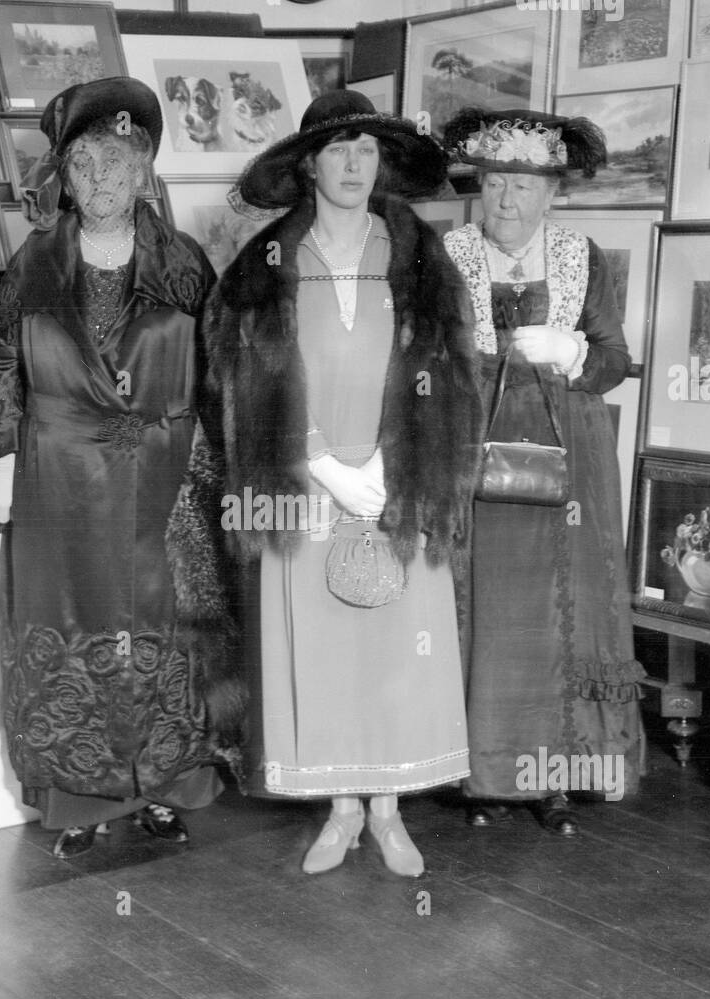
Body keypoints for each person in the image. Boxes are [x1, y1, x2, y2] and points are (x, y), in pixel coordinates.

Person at [205, 90, 481, 876]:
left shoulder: (423, 256)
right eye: (337, 150)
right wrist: (318, 459)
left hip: (400, 480)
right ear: (309, 165)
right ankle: (341, 809)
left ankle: (391, 809)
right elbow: (238, 372)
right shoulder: (264, 265)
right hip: (304, 483)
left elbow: (449, 367)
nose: (354, 165)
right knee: (322, 652)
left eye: (366, 149)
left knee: (396, 650)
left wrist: (394, 459)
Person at [0, 77, 243, 858]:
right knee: (71, 626)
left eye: (118, 162)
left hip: (163, 479)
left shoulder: (184, 262)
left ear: (145, 166)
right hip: (58, 479)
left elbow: (222, 369)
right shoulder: (35, 261)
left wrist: (219, 464)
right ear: (66, 174)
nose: (102, 181)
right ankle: (78, 801)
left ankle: (165, 787)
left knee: (164, 628)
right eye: (85, 164)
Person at [442, 109, 647, 837]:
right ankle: (481, 774)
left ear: (552, 192)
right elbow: (420, 360)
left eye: (525, 186)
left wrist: (574, 354)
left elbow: (615, 359)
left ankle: (553, 775)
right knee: (491, 611)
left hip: (570, 453)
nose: (507, 200)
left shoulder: (579, 257)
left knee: (562, 612)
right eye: (496, 182)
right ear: (479, 186)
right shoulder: (447, 254)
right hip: (477, 450)